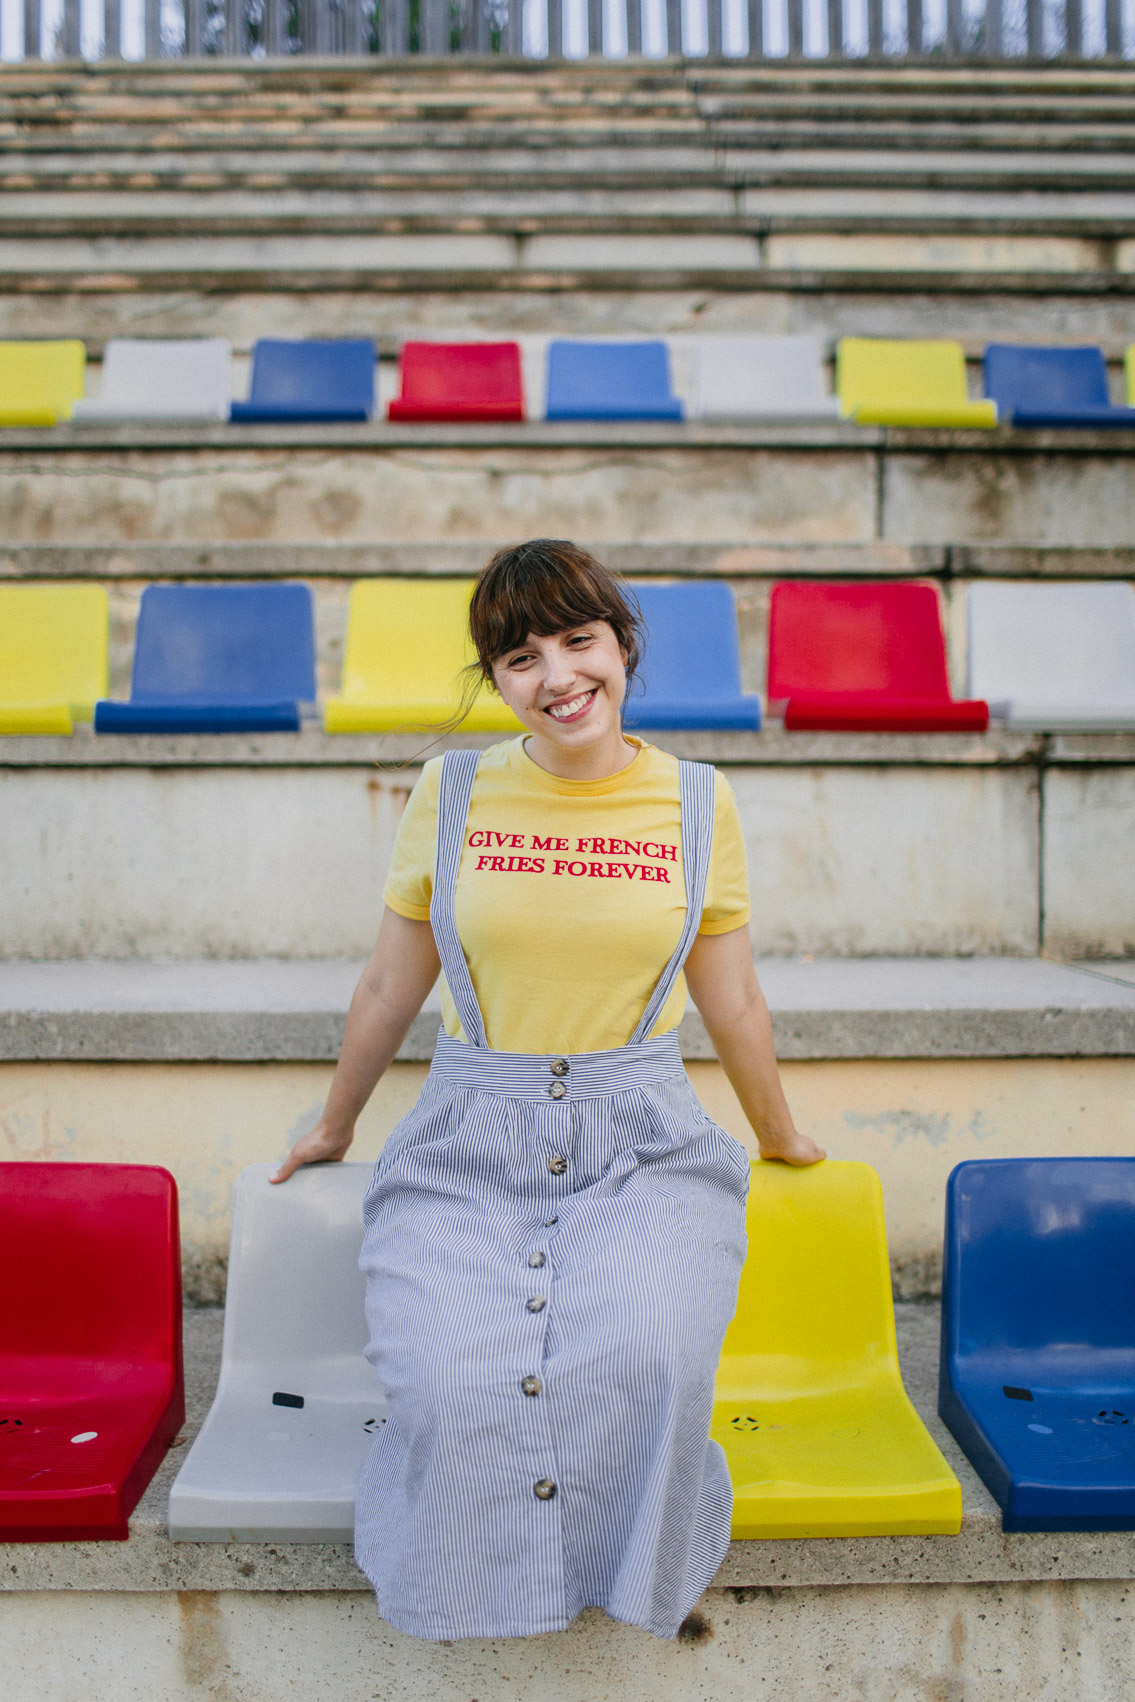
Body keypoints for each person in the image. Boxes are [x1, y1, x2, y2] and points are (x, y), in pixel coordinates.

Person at [272, 539, 824, 1642]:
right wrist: (334, 1121)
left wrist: (779, 1132)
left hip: (645, 1139)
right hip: (472, 1132)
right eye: (521, 657)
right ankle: (473, 1577)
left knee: (648, 1352)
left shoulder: (698, 802)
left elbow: (735, 999)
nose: (558, 675)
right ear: (498, 678)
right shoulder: (453, 789)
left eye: (579, 640)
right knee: (448, 1374)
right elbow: (392, 981)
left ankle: (621, 1574)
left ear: (622, 645)